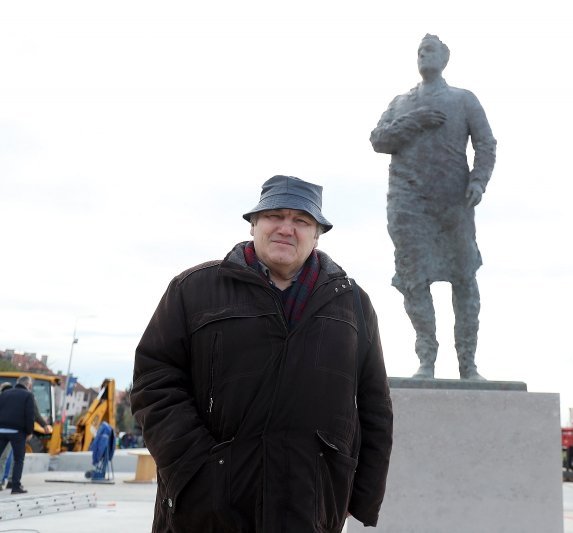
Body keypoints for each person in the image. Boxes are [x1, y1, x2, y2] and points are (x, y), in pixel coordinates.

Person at [131, 175, 393, 533]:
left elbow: (375, 408)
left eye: (301, 221)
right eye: (275, 216)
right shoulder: (193, 289)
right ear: (254, 224)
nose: (287, 228)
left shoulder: (353, 305)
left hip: (308, 506)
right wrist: (195, 469)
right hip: (203, 510)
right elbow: (154, 383)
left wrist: (354, 496)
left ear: (317, 235)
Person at [370, 34, 497, 380]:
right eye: (420, 51)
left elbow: (486, 144)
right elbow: (378, 140)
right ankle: (426, 358)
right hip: (408, 204)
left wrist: (478, 181)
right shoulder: (401, 103)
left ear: (445, 58)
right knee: (414, 280)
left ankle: (468, 364)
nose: (425, 55)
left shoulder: (463, 99)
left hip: (453, 202)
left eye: (431, 50)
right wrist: (415, 121)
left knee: (464, 278)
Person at [0, 376, 37, 494]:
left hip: (1, 430)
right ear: (28, 385)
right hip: (17, 432)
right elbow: (30, 416)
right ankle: (16, 487)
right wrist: (29, 432)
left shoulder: (5, 394)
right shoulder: (28, 395)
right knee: (18, 459)